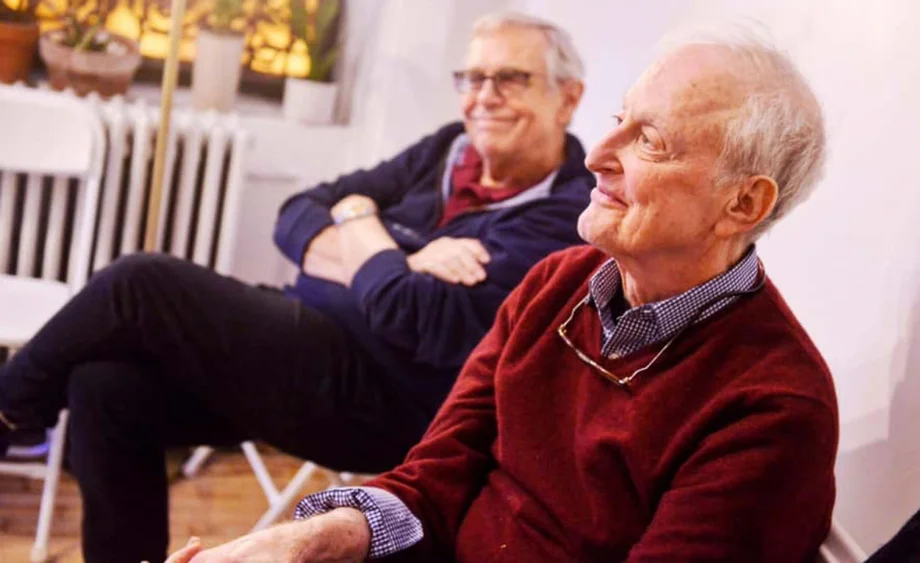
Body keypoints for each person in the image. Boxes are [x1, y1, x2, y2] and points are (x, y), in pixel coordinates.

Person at [165, 25, 840, 563]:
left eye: (650, 141)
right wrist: (308, 541)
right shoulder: (555, 283)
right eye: (619, 119)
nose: (595, 155)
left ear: (743, 204)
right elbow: (437, 473)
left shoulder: (773, 408)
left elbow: (407, 309)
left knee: (148, 285)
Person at [0, 12, 592, 563]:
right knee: (105, 386)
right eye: (473, 78)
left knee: (144, 282)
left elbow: (410, 313)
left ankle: (9, 411)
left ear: (567, 98)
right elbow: (297, 214)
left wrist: (359, 219)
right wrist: (404, 256)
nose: (484, 97)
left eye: (511, 79)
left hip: (381, 397)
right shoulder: (448, 148)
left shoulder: (566, 215)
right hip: (299, 348)